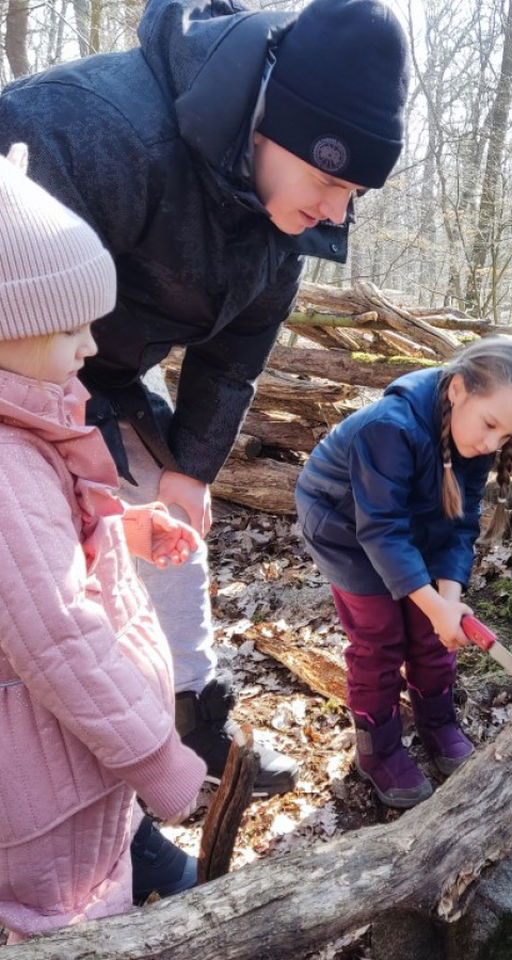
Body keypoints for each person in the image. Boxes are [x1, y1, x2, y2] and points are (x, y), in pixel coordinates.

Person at [0, 0, 411, 799]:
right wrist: (70, 454)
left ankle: (189, 720)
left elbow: (237, 350)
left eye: (355, 192)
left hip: (107, 365)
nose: (337, 213)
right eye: (331, 180)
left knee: (171, 530)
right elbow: (23, 299)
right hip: (25, 364)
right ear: (271, 124)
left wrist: (190, 469)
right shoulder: (97, 128)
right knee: (55, 559)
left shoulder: (287, 203)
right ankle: (86, 771)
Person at [0, 150, 207, 943]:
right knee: (70, 925)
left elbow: (36, 558)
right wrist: (157, 758)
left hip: (69, 765)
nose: (91, 346)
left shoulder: (28, 420)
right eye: (69, 328)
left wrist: (122, 526)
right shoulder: (6, 465)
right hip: (45, 789)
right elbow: (59, 637)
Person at [295, 339, 512, 808]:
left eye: (505, 436)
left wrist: (446, 602)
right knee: (380, 638)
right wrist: (432, 604)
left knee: (433, 633)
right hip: (344, 527)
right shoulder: (390, 428)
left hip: (409, 519)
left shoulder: (473, 438)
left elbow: (461, 522)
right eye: (490, 425)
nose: (492, 444)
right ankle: (377, 748)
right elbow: (381, 531)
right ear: (458, 389)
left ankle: (437, 721)